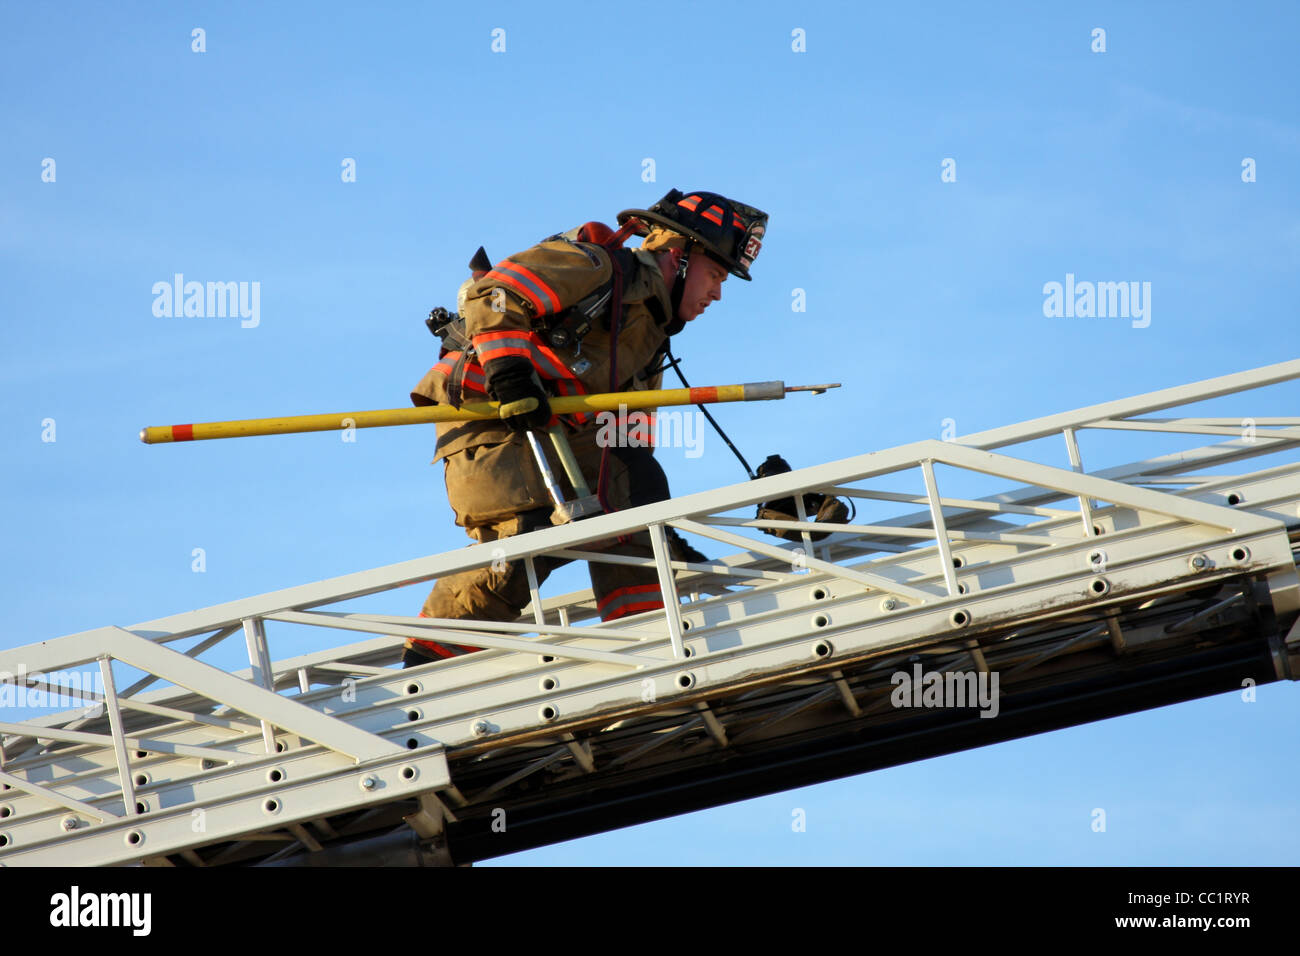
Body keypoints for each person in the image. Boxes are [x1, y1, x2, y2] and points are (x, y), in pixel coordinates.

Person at [402, 189, 768, 667]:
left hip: (554, 431)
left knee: (632, 502)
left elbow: (628, 447)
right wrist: (510, 374)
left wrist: (666, 532)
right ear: (678, 257)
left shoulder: (648, 336)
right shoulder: (596, 267)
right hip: (488, 416)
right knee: (530, 541)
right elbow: (494, 294)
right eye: (716, 274)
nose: (717, 294)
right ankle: (426, 663)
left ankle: (648, 643)